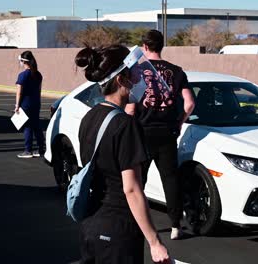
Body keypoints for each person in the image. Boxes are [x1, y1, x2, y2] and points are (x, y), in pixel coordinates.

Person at [75, 44, 169, 263]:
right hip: (118, 230)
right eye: (135, 73)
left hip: (91, 223)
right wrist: (155, 242)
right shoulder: (125, 125)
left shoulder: (89, 117)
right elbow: (131, 189)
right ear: (120, 80)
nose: (140, 78)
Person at [125, 29, 195, 240]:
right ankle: (175, 226)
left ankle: (136, 224)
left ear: (144, 47)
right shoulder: (177, 71)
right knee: (170, 179)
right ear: (161, 45)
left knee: (139, 180)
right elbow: (190, 103)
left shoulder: (136, 70)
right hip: (167, 133)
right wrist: (179, 123)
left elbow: (130, 108)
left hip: (141, 132)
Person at [15, 51, 45, 158]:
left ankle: (28, 151)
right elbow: (39, 90)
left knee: (27, 127)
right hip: (36, 103)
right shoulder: (38, 74)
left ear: (23, 61)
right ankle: (41, 149)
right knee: (36, 126)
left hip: (25, 104)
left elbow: (19, 92)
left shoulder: (22, 75)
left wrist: (17, 106)